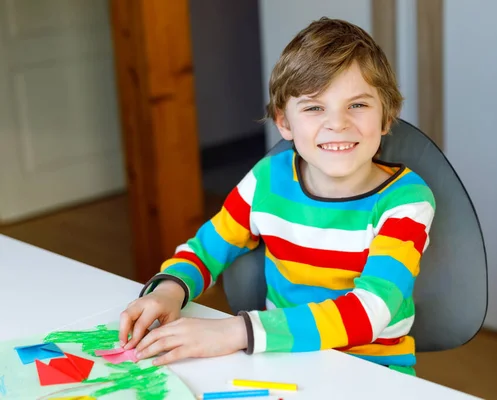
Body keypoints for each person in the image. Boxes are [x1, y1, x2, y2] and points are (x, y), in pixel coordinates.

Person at [119, 16, 435, 377]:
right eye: (315, 107)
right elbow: (208, 247)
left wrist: (237, 331)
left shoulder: (406, 202)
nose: (338, 123)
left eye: (357, 105)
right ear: (285, 123)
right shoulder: (267, 180)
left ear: (386, 116)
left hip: (373, 370)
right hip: (281, 359)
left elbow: (371, 311)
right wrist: (169, 290)